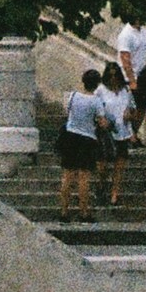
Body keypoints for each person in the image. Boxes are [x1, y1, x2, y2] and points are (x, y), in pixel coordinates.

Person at [57, 69, 103, 221]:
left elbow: (68, 112)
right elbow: (101, 121)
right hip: (87, 138)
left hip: (70, 136)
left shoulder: (73, 96)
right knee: (84, 177)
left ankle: (64, 212)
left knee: (67, 176)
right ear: (97, 84)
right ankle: (84, 212)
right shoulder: (96, 101)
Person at [92, 68, 134, 205]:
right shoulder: (100, 90)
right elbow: (93, 108)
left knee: (119, 165)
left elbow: (132, 108)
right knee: (102, 166)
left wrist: (129, 113)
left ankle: (114, 193)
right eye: (110, 75)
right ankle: (101, 185)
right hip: (106, 132)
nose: (113, 78)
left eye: (116, 75)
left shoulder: (126, 91)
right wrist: (101, 120)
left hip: (122, 131)